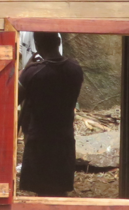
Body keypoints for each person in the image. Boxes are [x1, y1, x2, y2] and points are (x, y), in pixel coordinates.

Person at [18, 32, 84, 197]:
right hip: (64, 135)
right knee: (60, 187)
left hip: (40, 136)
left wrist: (26, 69)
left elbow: (15, 99)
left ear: (38, 47)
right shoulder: (75, 69)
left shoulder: (33, 72)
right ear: (58, 42)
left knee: (41, 189)